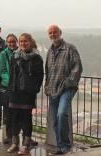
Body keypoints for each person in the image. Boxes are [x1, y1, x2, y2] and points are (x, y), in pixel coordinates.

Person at [45, 25, 83, 155]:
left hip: (67, 88)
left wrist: (67, 82)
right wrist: (47, 86)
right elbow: (47, 71)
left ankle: (65, 145)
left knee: (61, 114)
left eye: (55, 32)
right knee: (55, 119)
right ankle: (60, 146)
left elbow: (77, 67)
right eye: (50, 33)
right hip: (53, 89)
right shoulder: (50, 51)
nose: (53, 34)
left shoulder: (70, 48)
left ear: (60, 33)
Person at [8, 33, 44, 154]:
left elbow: (40, 77)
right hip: (15, 92)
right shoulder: (15, 56)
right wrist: (10, 90)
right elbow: (12, 75)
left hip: (28, 94)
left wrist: (34, 89)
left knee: (26, 119)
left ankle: (25, 145)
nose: (23, 43)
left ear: (30, 42)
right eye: (21, 41)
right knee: (14, 119)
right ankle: (14, 143)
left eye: (25, 41)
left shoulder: (36, 58)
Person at [0, 34, 18, 143]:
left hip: (18, 88)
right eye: (9, 42)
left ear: (16, 42)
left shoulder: (20, 52)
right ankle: (9, 135)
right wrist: (12, 80)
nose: (11, 44)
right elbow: (2, 71)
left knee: (18, 112)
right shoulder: (3, 54)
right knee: (8, 112)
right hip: (7, 87)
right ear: (6, 43)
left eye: (13, 41)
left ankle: (18, 135)